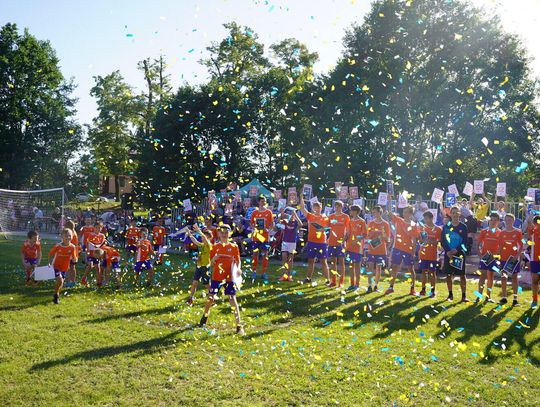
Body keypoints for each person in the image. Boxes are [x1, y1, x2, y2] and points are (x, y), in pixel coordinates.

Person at [199, 224, 244, 335]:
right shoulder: (215, 247)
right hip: (217, 278)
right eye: (222, 233)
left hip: (230, 277)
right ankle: (204, 317)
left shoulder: (234, 247)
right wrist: (214, 259)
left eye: (226, 233)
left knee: (232, 299)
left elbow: (238, 261)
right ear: (218, 234)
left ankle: (239, 325)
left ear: (229, 233)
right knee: (210, 298)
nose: (224, 235)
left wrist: (238, 269)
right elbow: (211, 263)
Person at [386, 203, 420, 295]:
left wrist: (413, 252)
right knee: (394, 268)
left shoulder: (414, 225)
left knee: (411, 269)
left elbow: (414, 240)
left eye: (406, 212)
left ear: (410, 214)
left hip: (408, 250)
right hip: (397, 248)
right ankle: (391, 287)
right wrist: (389, 199)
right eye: (403, 212)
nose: (404, 214)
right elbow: (389, 213)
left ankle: (412, 289)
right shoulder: (398, 220)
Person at [299, 195, 330, 285]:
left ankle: (327, 280)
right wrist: (301, 198)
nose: (316, 209)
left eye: (318, 207)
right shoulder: (310, 216)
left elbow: (328, 228)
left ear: (321, 208)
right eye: (315, 207)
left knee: (323, 261)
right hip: (311, 242)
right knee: (310, 261)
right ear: (313, 208)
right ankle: (308, 278)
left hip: (321, 243)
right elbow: (302, 208)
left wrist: (323, 229)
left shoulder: (324, 217)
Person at [440, 206, 469, 302]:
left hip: (459, 254)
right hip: (448, 254)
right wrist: (448, 251)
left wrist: (456, 250)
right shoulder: (446, 227)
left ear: (459, 214)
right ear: (450, 214)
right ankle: (450, 295)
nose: (455, 215)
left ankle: (464, 296)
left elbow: (465, 241)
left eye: (457, 213)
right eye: (453, 213)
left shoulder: (463, 227)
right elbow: (443, 241)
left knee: (462, 275)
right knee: (448, 275)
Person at [476, 212, 502, 303]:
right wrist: (480, 255)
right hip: (484, 257)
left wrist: (494, 256)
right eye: (491, 220)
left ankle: (488, 297)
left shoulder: (500, 233)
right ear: (489, 221)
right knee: (482, 277)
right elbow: (478, 244)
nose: (493, 222)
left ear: (498, 221)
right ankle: (479, 296)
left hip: (493, 258)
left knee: (490, 276)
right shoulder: (484, 231)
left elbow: (501, 247)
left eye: (495, 220)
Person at [498, 213, 523, 306]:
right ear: (504, 220)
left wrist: (517, 256)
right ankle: (504, 297)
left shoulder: (518, 232)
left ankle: (515, 299)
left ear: (513, 221)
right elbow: (500, 246)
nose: (508, 222)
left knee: (514, 278)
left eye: (510, 220)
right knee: (503, 277)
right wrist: (499, 258)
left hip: (513, 259)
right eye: (506, 220)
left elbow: (521, 245)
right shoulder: (502, 233)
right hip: (504, 259)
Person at [48, 228, 77, 304]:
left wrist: (74, 260)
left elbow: (74, 257)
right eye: (66, 236)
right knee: (60, 280)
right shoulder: (58, 246)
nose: (68, 238)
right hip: (56, 266)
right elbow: (50, 254)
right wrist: (49, 262)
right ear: (62, 237)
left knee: (61, 283)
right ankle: (56, 296)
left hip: (65, 268)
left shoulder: (72, 247)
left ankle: (56, 294)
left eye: (70, 236)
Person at [366, 206, 391, 292]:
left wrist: (379, 234)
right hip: (371, 249)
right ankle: (369, 286)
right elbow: (367, 236)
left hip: (381, 250)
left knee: (378, 268)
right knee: (370, 267)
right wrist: (372, 234)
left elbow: (388, 238)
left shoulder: (385, 224)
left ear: (380, 213)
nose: (373, 214)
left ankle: (376, 286)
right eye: (373, 212)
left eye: (375, 212)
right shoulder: (370, 223)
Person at [186, 224, 213, 305]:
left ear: (209, 237)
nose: (202, 237)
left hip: (205, 267)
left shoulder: (209, 245)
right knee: (194, 283)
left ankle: (213, 297)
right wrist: (189, 234)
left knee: (207, 285)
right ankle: (190, 298)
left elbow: (205, 239)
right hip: (199, 266)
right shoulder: (201, 245)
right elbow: (195, 241)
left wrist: (199, 231)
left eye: (205, 236)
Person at [249, 196, 274, 281]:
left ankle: (263, 272)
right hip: (256, 236)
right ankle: (254, 271)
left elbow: (272, 224)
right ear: (258, 202)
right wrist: (254, 228)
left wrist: (267, 230)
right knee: (255, 253)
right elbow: (251, 223)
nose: (263, 203)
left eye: (265, 201)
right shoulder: (254, 212)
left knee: (265, 254)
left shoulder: (269, 212)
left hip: (265, 236)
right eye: (262, 201)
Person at [418, 211, 442, 297]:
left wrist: (431, 242)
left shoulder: (438, 229)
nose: (425, 220)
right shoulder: (422, 228)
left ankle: (433, 290)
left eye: (426, 218)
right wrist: (422, 240)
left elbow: (439, 243)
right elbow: (420, 241)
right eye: (424, 218)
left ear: (431, 218)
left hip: (433, 255)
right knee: (423, 272)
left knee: (432, 273)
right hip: (423, 254)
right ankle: (423, 289)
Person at [327, 200, 350, 288]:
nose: (337, 207)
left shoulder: (346, 216)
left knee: (341, 263)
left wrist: (343, 240)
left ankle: (341, 282)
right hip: (332, 242)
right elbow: (326, 227)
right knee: (333, 262)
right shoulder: (331, 216)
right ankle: (333, 281)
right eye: (336, 206)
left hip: (341, 243)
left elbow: (348, 231)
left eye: (339, 206)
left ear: (342, 207)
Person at [344, 205, 367, 291]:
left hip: (358, 247)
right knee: (350, 266)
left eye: (352, 211)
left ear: (357, 212)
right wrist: (343, 241)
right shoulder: (350, 221)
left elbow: (365, 234)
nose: (351, 212)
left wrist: (357, 240)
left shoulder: (362, 221)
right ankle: (351, 284)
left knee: (357, 266)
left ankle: (357, 285)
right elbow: (348, 233)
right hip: (350, 246)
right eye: (350, 211)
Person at [277, 207, 302, 282]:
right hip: (285, 242)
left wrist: (296, 215)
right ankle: (284, 275)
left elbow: (300, 224)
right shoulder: (285, 221)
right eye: (291, 214)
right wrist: (281, 214)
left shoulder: (295, 223)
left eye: (293, 215)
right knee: (284, 258)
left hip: (292, 243)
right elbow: (278, 222)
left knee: (290, 259)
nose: (291, 216)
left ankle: (288, 275)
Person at [526, 214, 540, 308]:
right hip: (535, 260)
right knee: (535, 281)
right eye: (536, 222)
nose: (537, 224)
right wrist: (532, 211)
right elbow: (528, 221)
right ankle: (535, 300)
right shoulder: (532, 232)